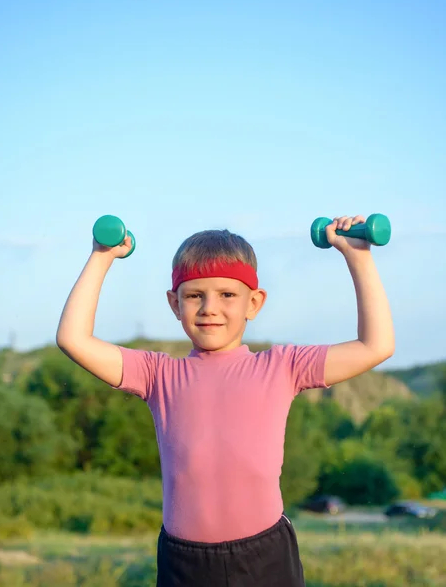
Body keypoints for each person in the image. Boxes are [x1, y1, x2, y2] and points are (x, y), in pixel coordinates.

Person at [56, 214, 394, 586]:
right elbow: (73, 339)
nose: (209, 308)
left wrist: (358, 256)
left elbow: (375, 346)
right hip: (184, 563)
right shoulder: (156, 374)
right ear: (175, 303)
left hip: (264, 556)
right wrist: (101, 256)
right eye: (194, 295)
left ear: (254, 302)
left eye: (227, 295)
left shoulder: (283, 366)